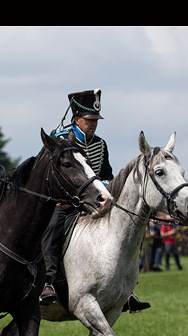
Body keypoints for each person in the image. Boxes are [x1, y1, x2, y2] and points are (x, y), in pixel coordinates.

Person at [40, 89, 150, 313]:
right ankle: (47, 282)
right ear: (77, 118)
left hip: (94, 205)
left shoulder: (101, 144)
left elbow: (106, 172)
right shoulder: (60, 140)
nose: (93, 124)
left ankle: (124, 289)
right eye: (89, 120)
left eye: (96, 120)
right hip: (66, 204)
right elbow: (45, 173)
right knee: (52, 229)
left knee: (124, 229)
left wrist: (107, 184)